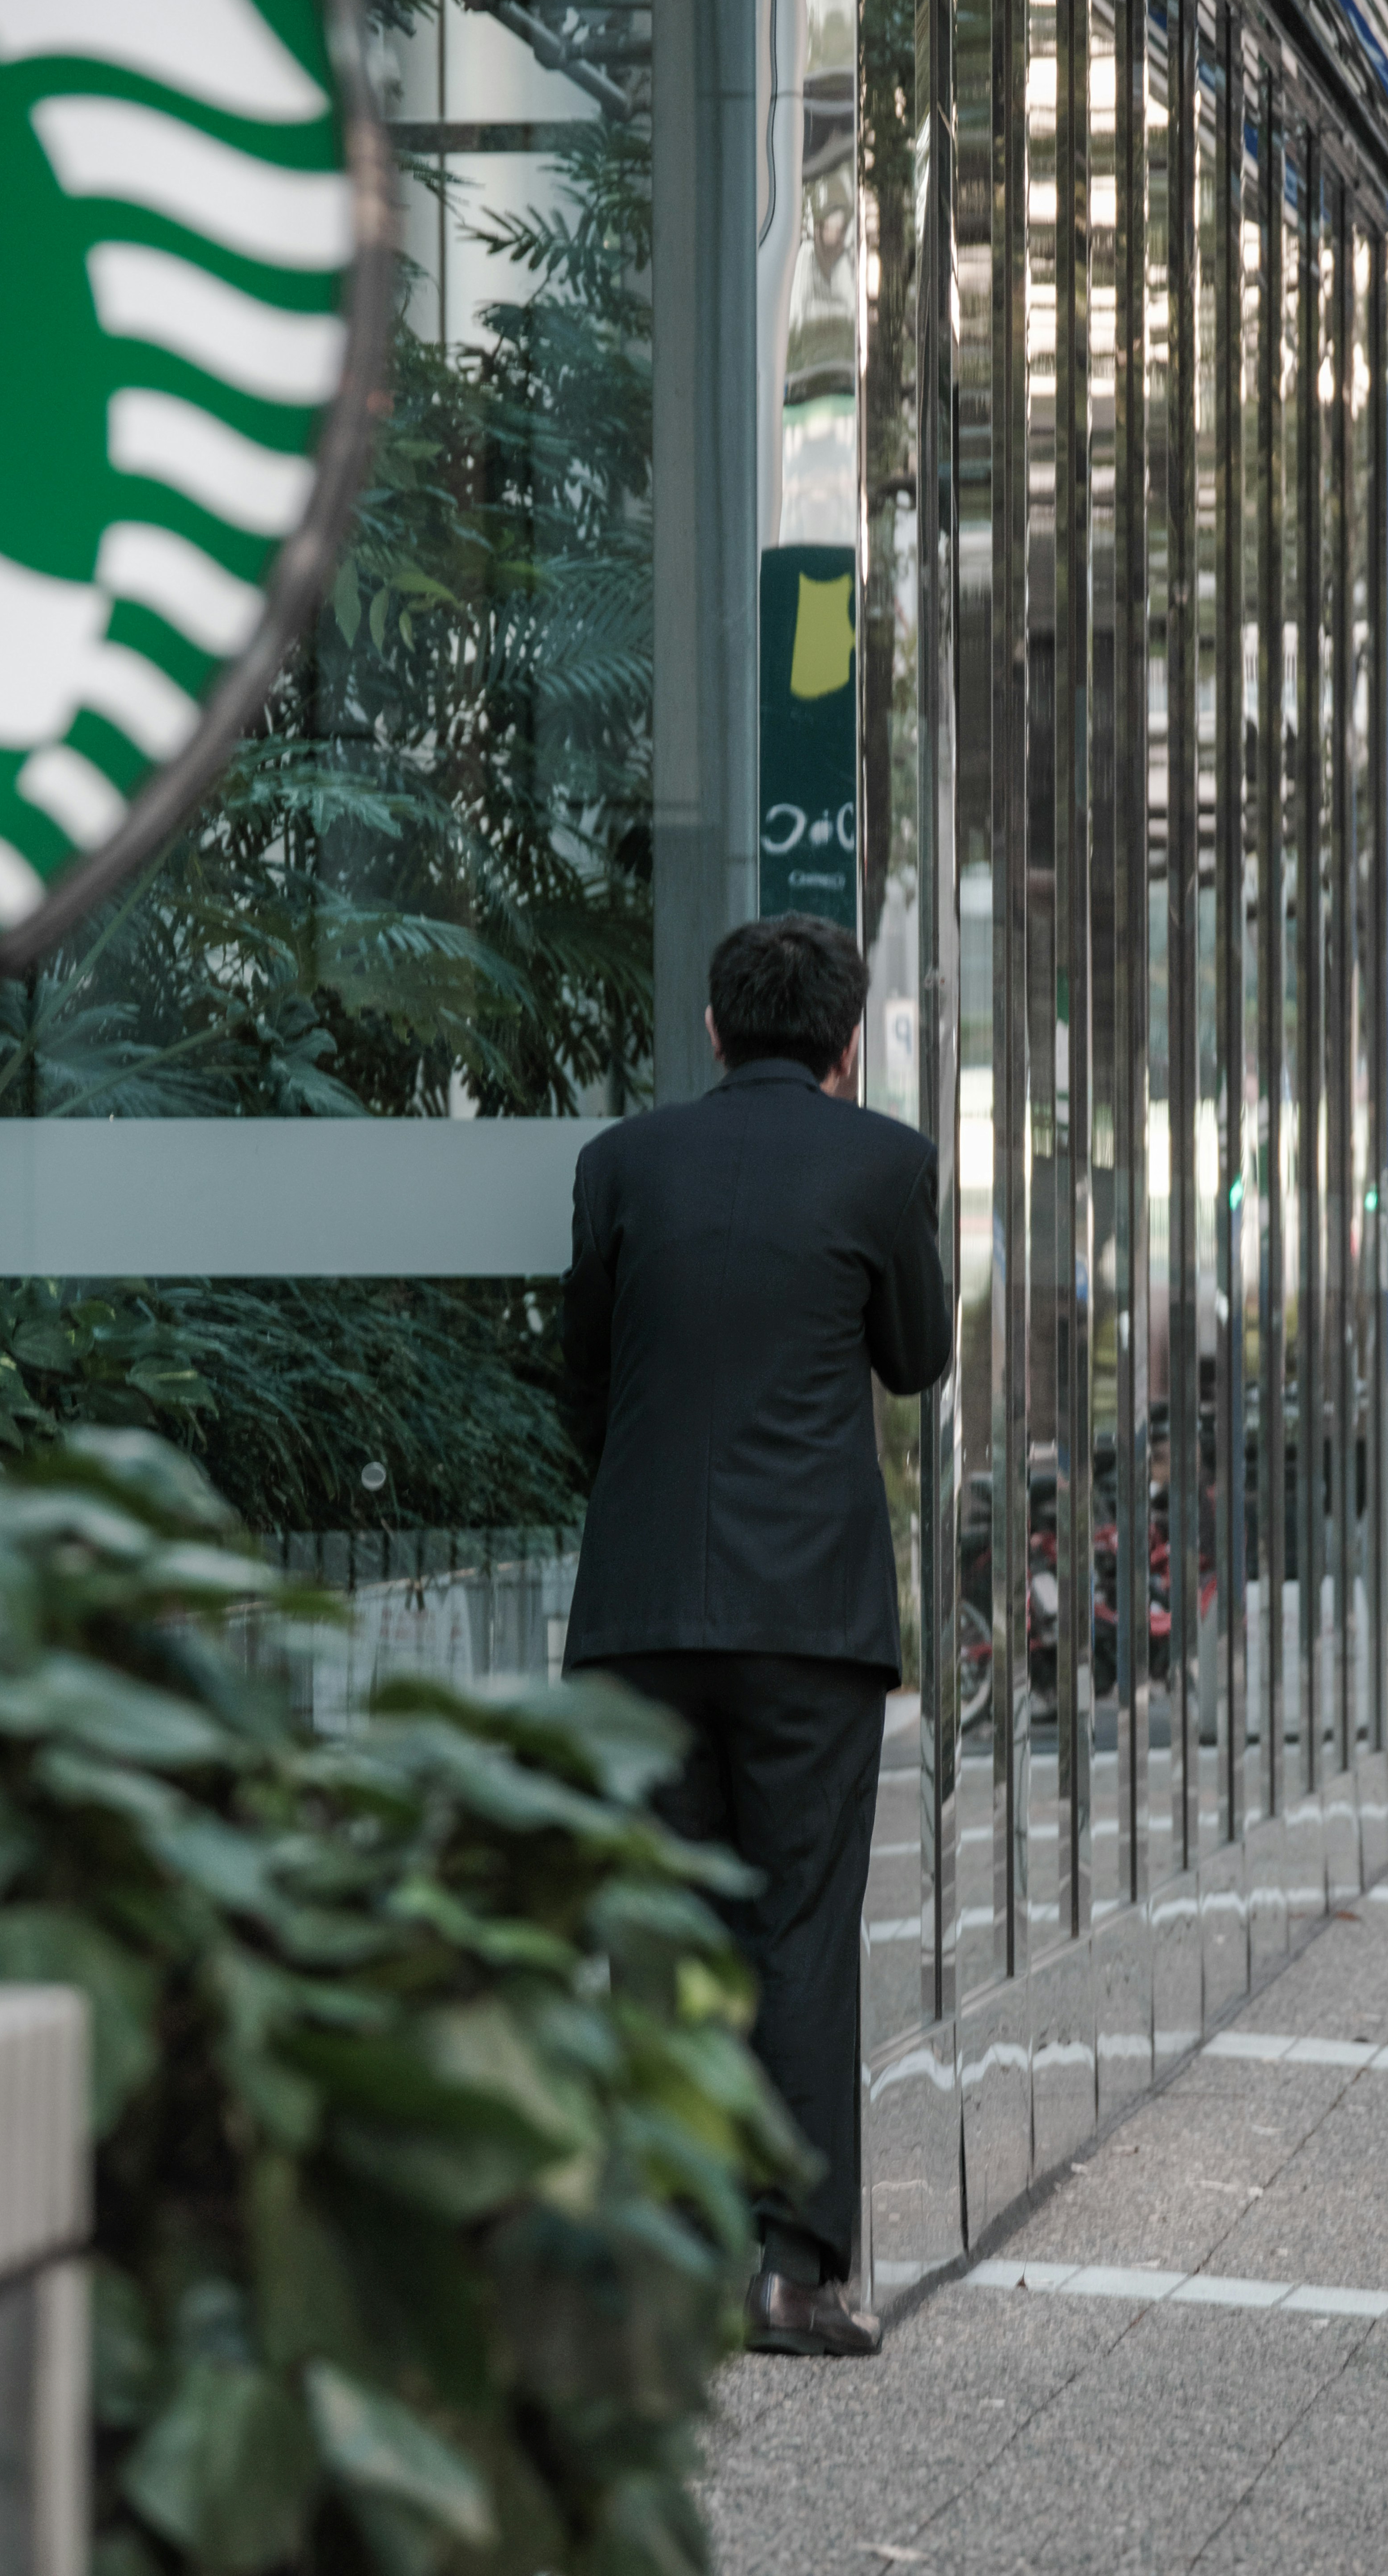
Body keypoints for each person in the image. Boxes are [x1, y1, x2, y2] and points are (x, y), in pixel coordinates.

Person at [560, 913, 952, 2357]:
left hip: (644, 1609)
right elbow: (916, 1356)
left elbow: (584, 1383)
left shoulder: (622, 1163)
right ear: (847, 1046)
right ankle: (793, 2273)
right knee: (798, 1924)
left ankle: (664, 2255)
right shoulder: (886, 1162)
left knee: (663, 1924)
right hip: (811, 1622)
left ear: (715, 1031)